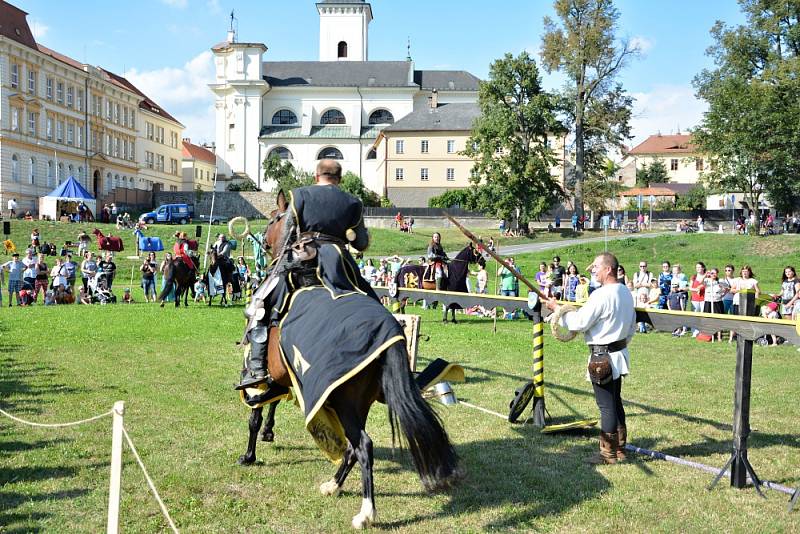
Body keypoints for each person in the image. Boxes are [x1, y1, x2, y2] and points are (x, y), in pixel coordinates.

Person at [236, 158, 372, 390]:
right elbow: (360, 243)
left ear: (316, 176)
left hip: (302, 262)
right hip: (340, 265)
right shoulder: (353, 202)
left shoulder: (299, 196)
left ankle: (257, 367)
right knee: (371, 301)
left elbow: (285, 237)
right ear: (339, 179)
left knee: (261, 303)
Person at [545, 252, 636, 464]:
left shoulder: (602, 295)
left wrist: (558, 309)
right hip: (617, 353)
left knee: (606, 405)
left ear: (608, 269)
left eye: (595, 267)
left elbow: (578, 323)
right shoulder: (625, 292)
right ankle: (620, 448)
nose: (592, 270)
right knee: (615, 402)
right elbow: (631, 326)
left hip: (602, 358)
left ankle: (608, 453)